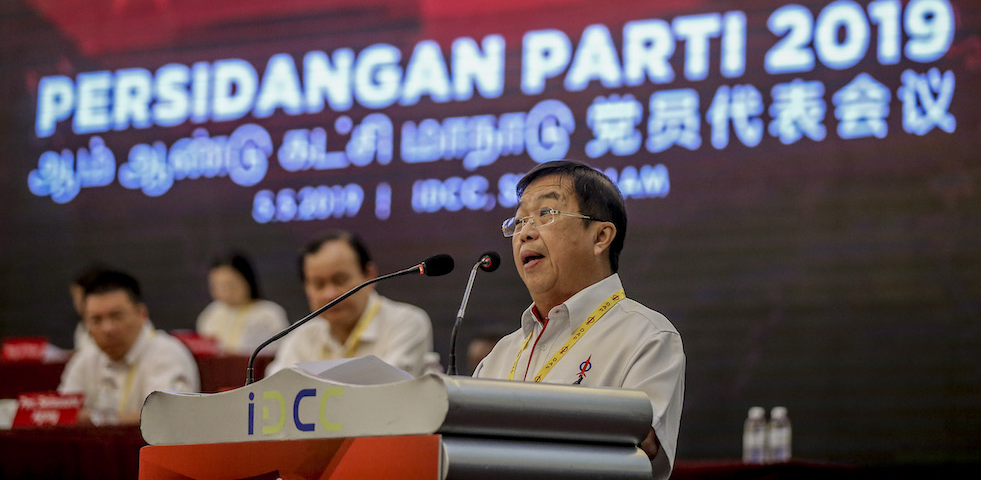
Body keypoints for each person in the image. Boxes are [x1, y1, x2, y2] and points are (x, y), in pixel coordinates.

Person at [473, 160, 685, 479]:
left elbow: (641, 449)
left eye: (545, 213)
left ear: (600, 237)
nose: (525, 233)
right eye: (519, 221)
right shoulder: (500, 355)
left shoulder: (648, 337)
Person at [266, 230, 433, 376]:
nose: (330, 294)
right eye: (318, 284)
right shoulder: (302, 336)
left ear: (369, 275)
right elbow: (275, 389)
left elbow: (387, 391)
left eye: (340, 280)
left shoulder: (406, 323)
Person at [58, 270, 200, 425]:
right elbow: (63, 414)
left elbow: (166, 419)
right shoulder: (85, 358)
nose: (107, 328)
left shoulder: (167, 353)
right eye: (96, 320)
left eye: (116, 316)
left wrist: (96, 419)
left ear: (141, 314)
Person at [195, 253, 289, 355]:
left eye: (230, 284)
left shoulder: (268, 314)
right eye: (218, 286)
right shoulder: (211, 314)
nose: (226, 292)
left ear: (247, 280)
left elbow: (277, 350)